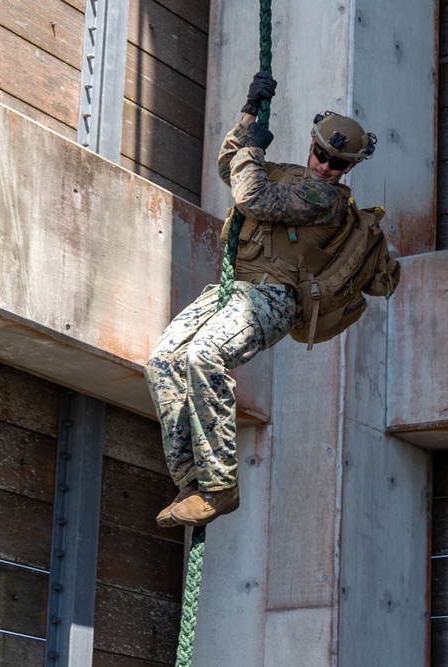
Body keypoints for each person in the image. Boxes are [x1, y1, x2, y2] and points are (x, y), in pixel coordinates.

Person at [145, 72, 392, 527]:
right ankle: (191, 481)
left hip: (273, 299)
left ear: (348, 169)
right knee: (162, 362)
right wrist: (247, 117)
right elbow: (230, 168)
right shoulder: (288, 175)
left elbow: (252, 197)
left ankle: (221, 485)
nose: (325, 166)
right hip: (231, 291)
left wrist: (255, 152)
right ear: (312, 146)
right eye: (321, 154)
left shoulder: (325, 199)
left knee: (203, 355)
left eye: (337, 163)